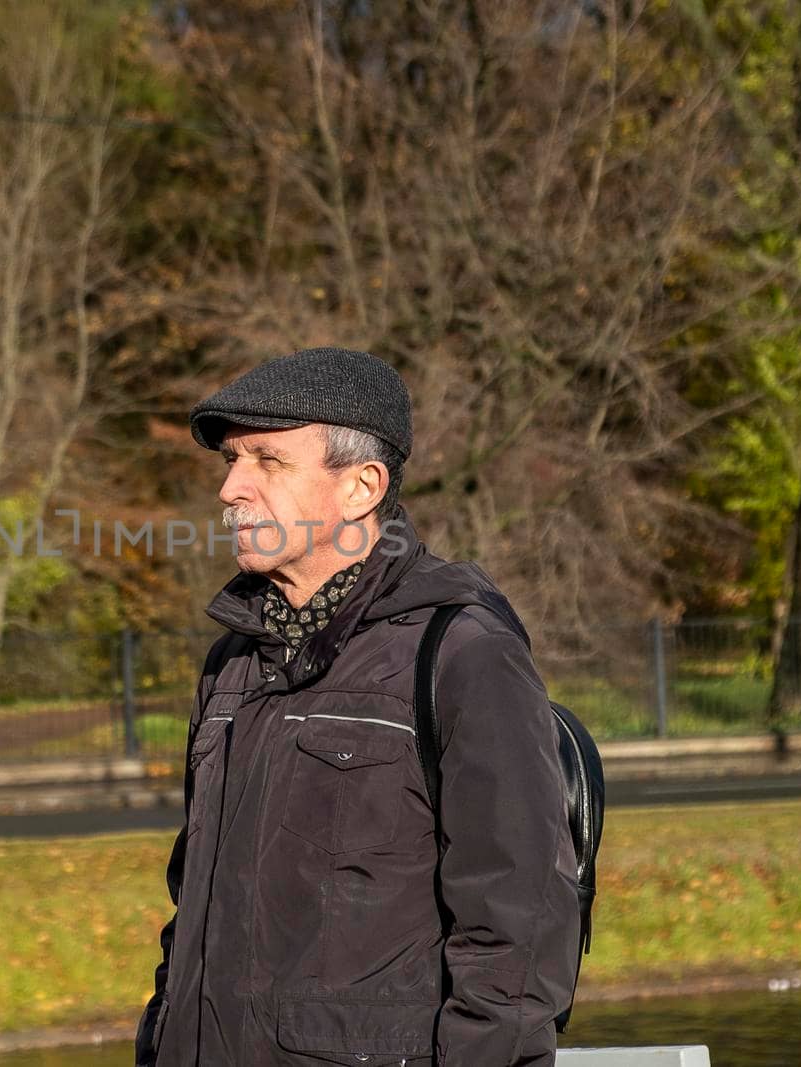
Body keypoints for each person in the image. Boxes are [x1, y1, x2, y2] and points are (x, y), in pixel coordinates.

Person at [134, 347, 580, 1066]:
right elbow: (194, 910)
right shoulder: (234, 661)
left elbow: (515, 940)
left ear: (361, 486)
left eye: (267, 461)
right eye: (230, 462)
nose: (231, 488)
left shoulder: (461, 652)